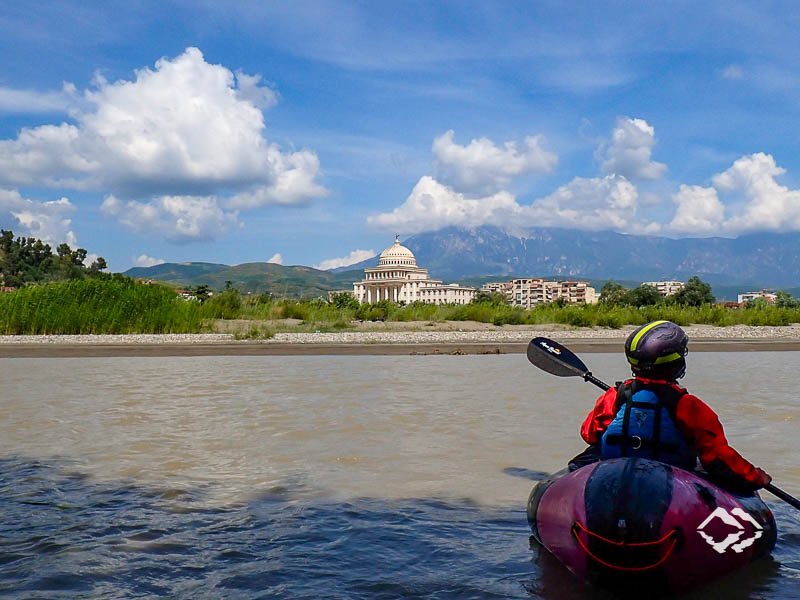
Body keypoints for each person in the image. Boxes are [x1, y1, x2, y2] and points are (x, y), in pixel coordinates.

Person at [572, 320, 771, 492]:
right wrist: (754, 477)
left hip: (617, 476)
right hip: (670, 484)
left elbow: (589, 434)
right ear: (675, 363)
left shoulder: (615, 396)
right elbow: (718, 458)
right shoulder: (689, 406)